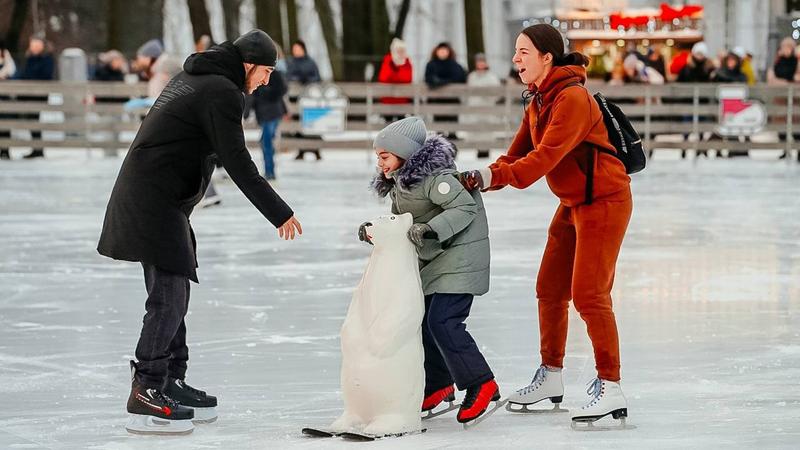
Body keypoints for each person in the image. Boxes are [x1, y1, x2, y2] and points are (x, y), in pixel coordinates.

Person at [97, 30, 303, 436]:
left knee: (177, 292)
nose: (265, 81)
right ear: (248, 64)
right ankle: (147, 387)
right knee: (168, 297)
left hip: (159, 199)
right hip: (153, 201)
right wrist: (279, 212)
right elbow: (237, 161)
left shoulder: (197, 79)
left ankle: (171, 379)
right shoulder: (221, 92)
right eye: (265, 72)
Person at [459, 23, 632, 428]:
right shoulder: (537, 100)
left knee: (589, 294)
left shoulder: (572, 99)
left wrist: (494, 177)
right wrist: (481, 175)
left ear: (546, 57)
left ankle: (611, 385)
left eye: (523, 52)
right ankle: (551, 377)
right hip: (573, 203)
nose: (516, 59)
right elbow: (516, 154)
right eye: (516, 52)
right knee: (550, 289)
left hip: (604, 201)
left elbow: (543, 160)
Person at [360, 116, 499, 425]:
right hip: (437, 260)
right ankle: (438, 385)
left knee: (444, 321)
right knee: (425, 322)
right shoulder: (401, 182)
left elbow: (465, 208)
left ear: (404, 152)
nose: (380, 163)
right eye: (378, 157)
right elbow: (402, 226)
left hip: (461, 256)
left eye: (384, 155)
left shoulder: (437, 177)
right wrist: (374, 232)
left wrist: (431, 229)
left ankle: (482, 382)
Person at [245, 56, 288, 180]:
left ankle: (270, 171)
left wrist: (269, 95)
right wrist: (247, 111)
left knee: (266, 142)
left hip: (273, 113)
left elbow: (282, 90)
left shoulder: (274, 74)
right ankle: (269, 169)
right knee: (266, 141)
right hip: (264, 114)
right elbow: (251, 95)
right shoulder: (255, 74)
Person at [15, 36, 55, 159]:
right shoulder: (29, 58)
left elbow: (46, 75)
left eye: (36, 45)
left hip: (39, 94)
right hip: (27, 94)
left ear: (42, 46)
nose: (34, 47)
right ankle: (36, 148)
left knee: (34, 119)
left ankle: (38, 148)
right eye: (32, 45)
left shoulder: (47, 58)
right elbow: (24, 74)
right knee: (31, 120)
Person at [286, 40, 322, 160]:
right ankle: (301, 149)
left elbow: (317, 78)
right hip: (296, 100)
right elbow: (288, 77)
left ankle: (315, 149)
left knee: (313, 124)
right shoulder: (291, 63)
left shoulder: (310, 63)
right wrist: (296, 79)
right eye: (294, 49)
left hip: (309, 100)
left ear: (303, 49)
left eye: (298, 49)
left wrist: (307, 80)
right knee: (298, 125)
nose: (295, 51)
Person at [462, 53, 502, 157]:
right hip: (474, 109)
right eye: (478, 62)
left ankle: (486, 152)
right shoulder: (472, 77)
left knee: (486, 132)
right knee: (476, 133)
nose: (480, 64)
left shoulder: (492, 77)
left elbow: (497, 94)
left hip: (487, 109)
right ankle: (478, 151)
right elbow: (468, 93)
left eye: (482, 61)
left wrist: (486, 94)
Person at [425, 43, 467, 133]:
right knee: (439, 128)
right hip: (437, 100)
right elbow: (429, 79)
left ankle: (452, 139)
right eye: (440, 50)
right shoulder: (431, 65)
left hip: (452, 100)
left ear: (449, 52)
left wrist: (441, 82)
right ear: (436, 52)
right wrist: (442, 82)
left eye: (445, 50)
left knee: (452, 126)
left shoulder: (455, 65)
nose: (442, 52)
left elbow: (460, 78)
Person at [377, 38, 413, 121]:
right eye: (398, 50)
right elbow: (383, 78)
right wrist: (394, 70)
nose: (400, 52)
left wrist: (395, 73)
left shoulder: (407, 62)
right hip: (388, 100)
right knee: (388, 125)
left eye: (402, 50)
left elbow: (407, 79)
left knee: (401, 126)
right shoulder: (388, 60)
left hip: (402, 101)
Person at [0, 38, 17, 160]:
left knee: (5, 123)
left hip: (4, 95)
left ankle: (5, 150)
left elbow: (11, 70)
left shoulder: (6, 55)